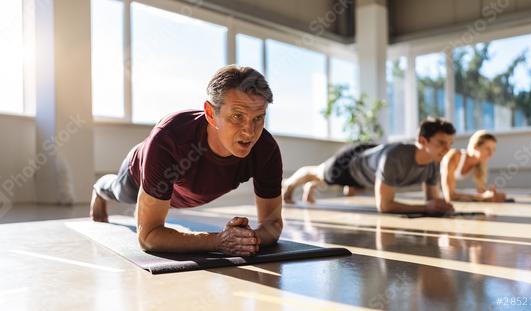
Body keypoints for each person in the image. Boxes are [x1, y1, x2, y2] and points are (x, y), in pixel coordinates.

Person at [90, 65, 283, 256]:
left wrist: (249, 238)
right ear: (210, 114)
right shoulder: (169, 138)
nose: (249, 132)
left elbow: (273, 224)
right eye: (237, 116)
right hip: (137, 176)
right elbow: (148, 237)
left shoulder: (266, 149)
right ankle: (99, 188)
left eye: (258, 118)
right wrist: (219, 241)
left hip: (182, 192)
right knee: (118, 191)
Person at [283, 118, 456, 215]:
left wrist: (438, 205)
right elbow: (385, 206)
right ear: (422, 141)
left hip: (371, 160)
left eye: (449, 143)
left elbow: (431, 201)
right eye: (441, 143)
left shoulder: (434, 163)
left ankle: (313, 186)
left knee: (339, 185)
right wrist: (427, 207)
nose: (448, 149)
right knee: (319, 172)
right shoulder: (395, 158)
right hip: (351, 161)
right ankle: (290, 183)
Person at [441, 130, 506, 202]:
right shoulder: (454, 156)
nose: (491, 153)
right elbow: (449, 196)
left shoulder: (480, 164)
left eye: (493, 149)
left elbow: (481, 192)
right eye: (487, 149)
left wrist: (491, 195)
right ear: (475, 146)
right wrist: (482, 197)